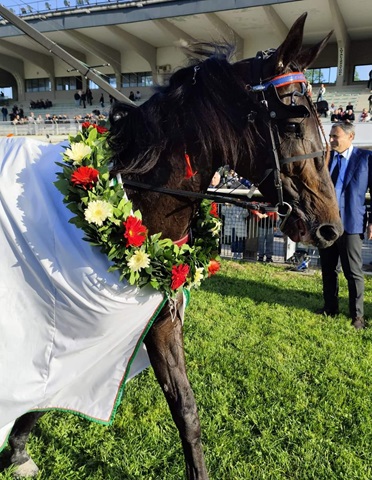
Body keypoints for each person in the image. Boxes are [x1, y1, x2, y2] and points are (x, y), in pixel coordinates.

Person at [316, 122, 372, 330]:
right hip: (327, 224)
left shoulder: (366, 159)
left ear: (351, 137)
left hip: (351, 223)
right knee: (328, 269)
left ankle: (357, 316)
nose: (330, 140)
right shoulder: (325, 158)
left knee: (353, 272)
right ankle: (330, 307)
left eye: (335, 136)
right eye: (330, 136)